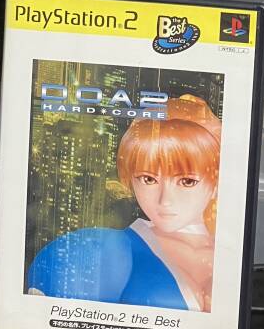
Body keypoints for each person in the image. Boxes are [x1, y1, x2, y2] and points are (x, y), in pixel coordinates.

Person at [27, 94, 221, 311]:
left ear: (215, 184)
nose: (165, 200)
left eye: (187, 181)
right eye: (148, 179)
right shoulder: (107, 248)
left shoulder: (233, 250)